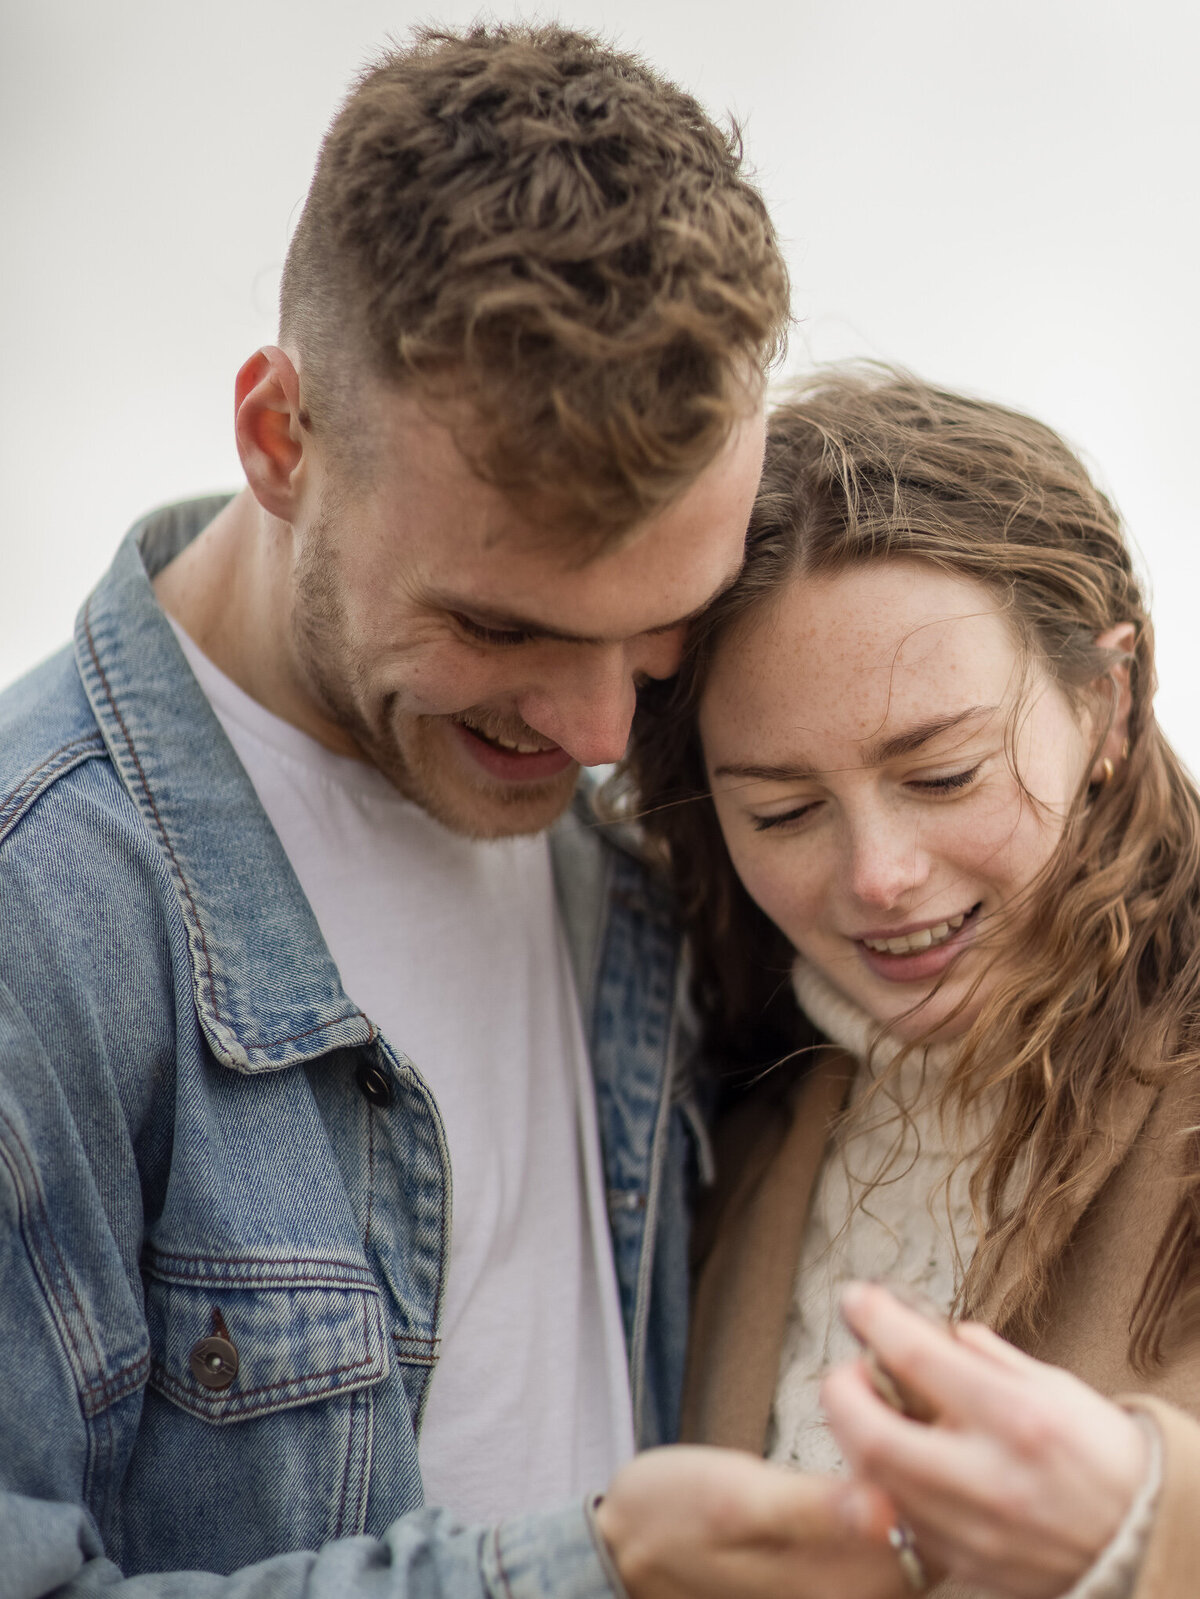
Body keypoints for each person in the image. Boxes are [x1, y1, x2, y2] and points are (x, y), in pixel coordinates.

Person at [0, 22, 891, 1599]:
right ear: (281, 437)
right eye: (506, 628)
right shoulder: (41, 912)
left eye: (666, 618)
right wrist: (587, 1571)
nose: (610, 729)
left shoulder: (664, 812)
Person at [624, 367, 1200, 1598]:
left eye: (941, 777)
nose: (878, 877)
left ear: (1105, 702)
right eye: (783, 810)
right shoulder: (711, 1124)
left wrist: (1155, 1521)